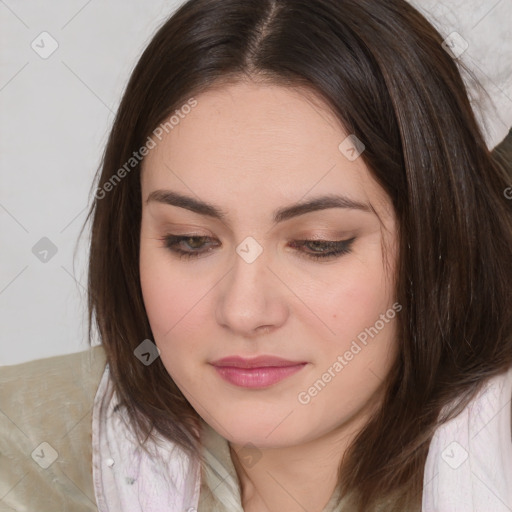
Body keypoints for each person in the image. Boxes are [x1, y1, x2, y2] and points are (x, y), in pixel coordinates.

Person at [1, 0, 512, 511]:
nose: (243, 311)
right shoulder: (20, 451)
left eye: (319, 244)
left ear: (441, 240)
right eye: (190, 240)